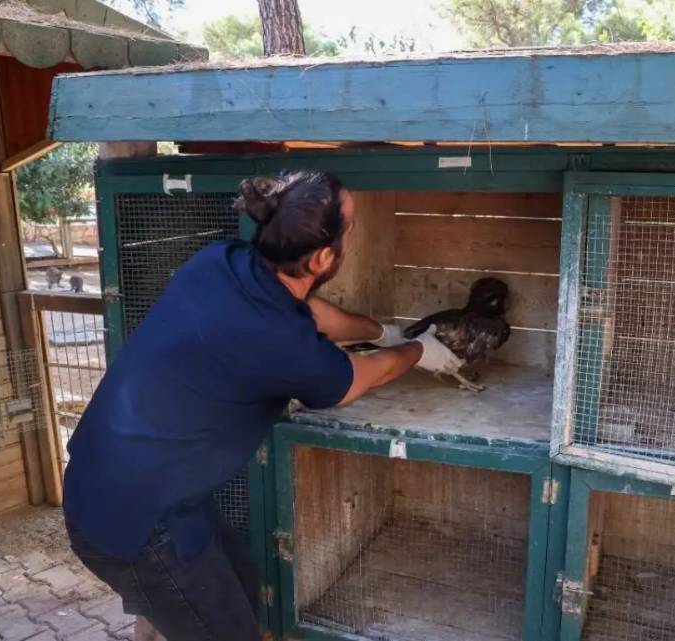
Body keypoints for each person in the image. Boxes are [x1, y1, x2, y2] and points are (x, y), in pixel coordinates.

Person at [62, 170, 461, 641]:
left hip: (114, 482)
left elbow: (312, 314)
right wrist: (419, 352)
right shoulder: (286, 347)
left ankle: (156, 618)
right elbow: (360, 376)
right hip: (138, 523)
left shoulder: (220, 262)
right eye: (349, 229)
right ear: (323, 258)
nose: (353, 234)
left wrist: (381, 332)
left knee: (238, 586)